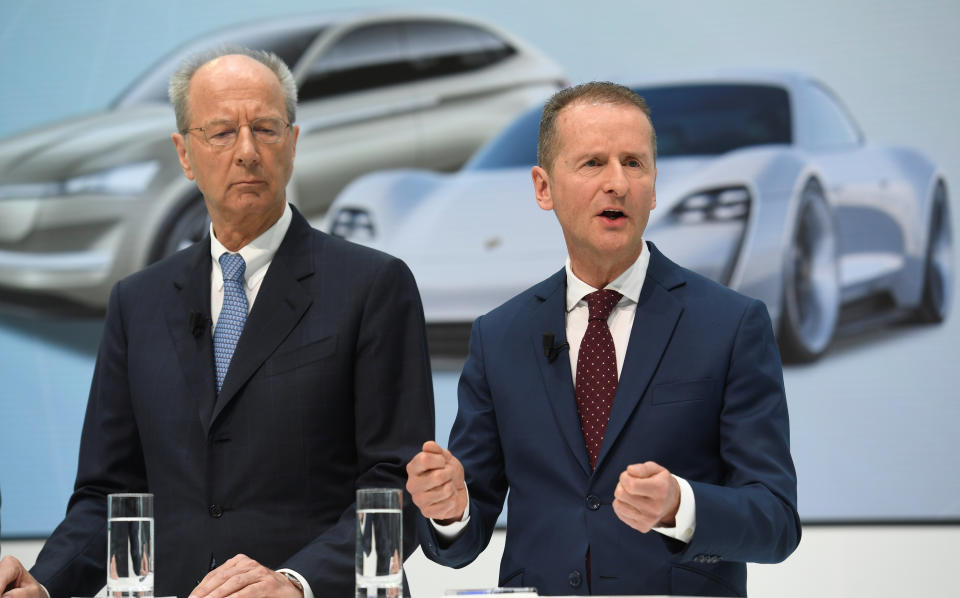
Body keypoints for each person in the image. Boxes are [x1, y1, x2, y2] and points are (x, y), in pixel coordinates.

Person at [0, 47, 434, 598]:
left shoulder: (373, 285)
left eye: (266, 129)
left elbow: (395, 485)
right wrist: (44, 583)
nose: (247, 151)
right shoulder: (138, 301)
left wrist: (296, 582)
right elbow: (110, 495)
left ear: (294, 144)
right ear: (184, 153)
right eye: (222, 132)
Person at [405, 82, 800, 596]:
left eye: (634, 163)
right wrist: (450, 511)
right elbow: (462, 539)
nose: (617, 182)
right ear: (543, 188)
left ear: (655, 187)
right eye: (593, 163)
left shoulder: (730, 324)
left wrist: (682, 504)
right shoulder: (500, 336)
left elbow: (775, 522)